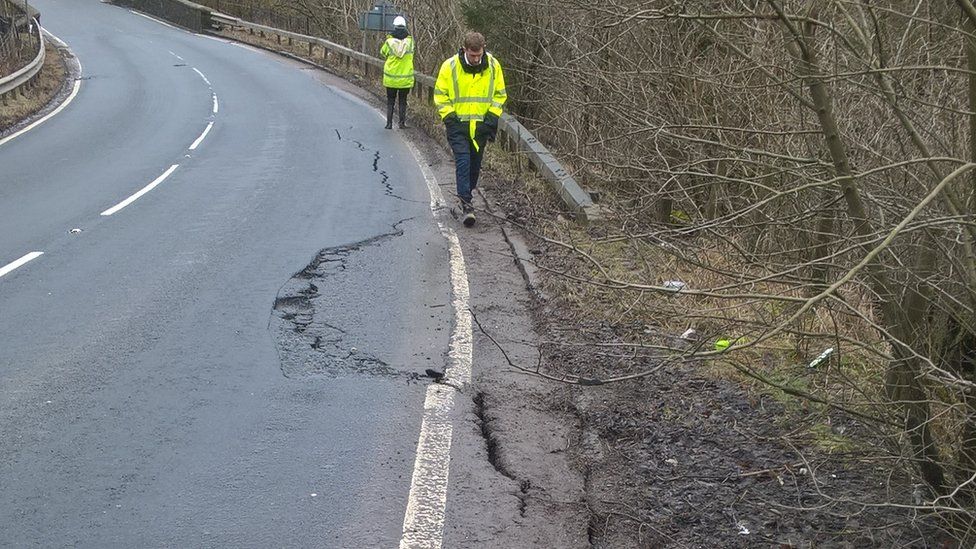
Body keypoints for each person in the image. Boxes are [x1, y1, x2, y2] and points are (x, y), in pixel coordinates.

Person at [434, 31, 507, 227]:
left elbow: (500, 94)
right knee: (463, 161)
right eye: (473, 55)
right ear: (465, 49)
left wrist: (491, 118)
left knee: (475, 166)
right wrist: (450, 118)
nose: (476, 59)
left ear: (483, 49)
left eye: (479, 55)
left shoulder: (493, 65)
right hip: (458, 125)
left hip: (481, 127)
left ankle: (466, 196)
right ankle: (466, 205)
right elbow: (440, 95)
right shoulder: (449, 67)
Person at [380, 15, 415, 129]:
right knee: (403, 101)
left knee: (390, 101)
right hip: (405, 78)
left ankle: (389, 124)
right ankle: (401, 123)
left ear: (394, 27)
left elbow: (383, 52)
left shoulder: (389, 41)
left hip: (391, 77)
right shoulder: (410, 42)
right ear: (405, 27)